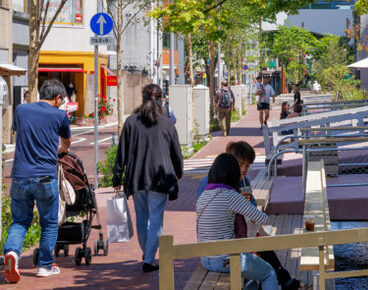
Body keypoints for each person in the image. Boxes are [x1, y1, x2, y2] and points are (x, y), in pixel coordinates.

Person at [196, 142, 307, 290]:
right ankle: (285, 280)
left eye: (247, 166)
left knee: (258, 253)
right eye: (240, 165)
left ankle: (285, 280)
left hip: (211, 253)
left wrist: (247, 204)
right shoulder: (228, 193)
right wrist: (241, 203)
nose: (243, 170)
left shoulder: (210, 192)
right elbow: (261, 218)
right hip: (227, 254)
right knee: (268, 271)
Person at [4, 79, 71, 282]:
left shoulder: (21, 110)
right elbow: (66, 142)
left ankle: (13, 254)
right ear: (58, 98)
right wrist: (63, 150)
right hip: (45, 177)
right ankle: (44, 266)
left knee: (20, 221)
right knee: (49, 223)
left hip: (20, 177)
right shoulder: (60, 115)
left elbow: (18, 131)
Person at [112, 84, 183, 273]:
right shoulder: (167, 122)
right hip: (160, 177)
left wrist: (117, 177)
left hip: (136, 177)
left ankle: (147, 254)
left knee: (142, 218)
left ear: (143, 98)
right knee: (156, 220)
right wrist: (179, 171)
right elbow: (176, 152)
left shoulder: (131, 122)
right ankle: (149, 258)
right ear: (161, 99)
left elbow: (122, 153)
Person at [197, 153, 277, 290]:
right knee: (269, 273)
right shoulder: (230, 195)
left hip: (206, 259)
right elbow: (263, 218)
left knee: (251, 278)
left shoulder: (204, 195)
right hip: (227, 260)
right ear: (233, 173)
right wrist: (243, 205)